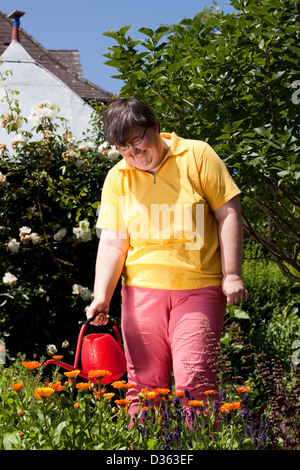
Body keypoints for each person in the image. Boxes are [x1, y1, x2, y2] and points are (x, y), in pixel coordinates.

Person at [86, 98, 248, 417]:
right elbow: (113, 242)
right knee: (143, 388)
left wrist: (231, 274)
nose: (133, 153)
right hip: (141, 293)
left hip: (199, 288)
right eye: (123, 147)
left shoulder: (197, 155)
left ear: (155, 126)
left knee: (196, 384)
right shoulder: (118, 178)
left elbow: (228, 212)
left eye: (137, 141)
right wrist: (101, 296)